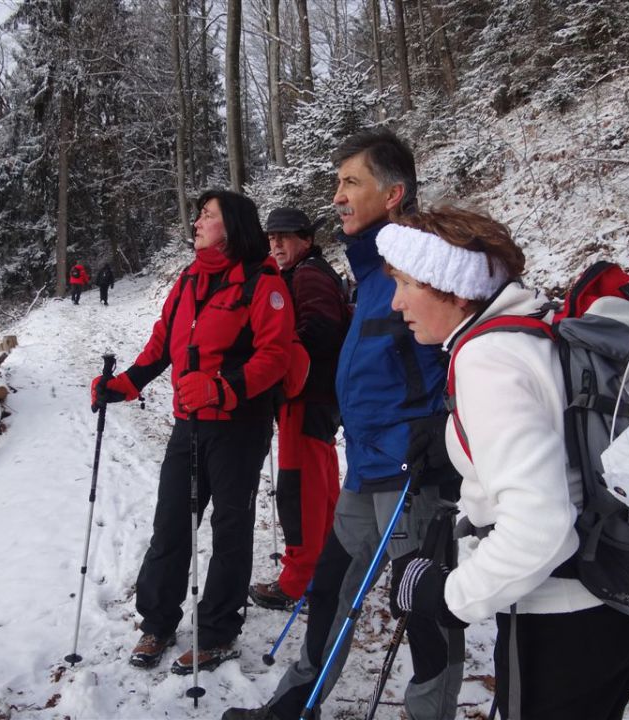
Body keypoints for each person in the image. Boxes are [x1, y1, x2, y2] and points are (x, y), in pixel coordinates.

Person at [383, 206, 629, 720]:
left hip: (562, 611)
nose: (396, 301)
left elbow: (542, 528)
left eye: (405, 283)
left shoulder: (486, 360)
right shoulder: (535, 326)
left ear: (452, 285)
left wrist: (447, 595)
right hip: (619, 592)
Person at [224, 129, 462, 720]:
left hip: (415, 474)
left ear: (394, 193)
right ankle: (292, 708)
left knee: (426, 611)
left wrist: (444, 427)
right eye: (337, 183)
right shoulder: (373, 271)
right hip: (367, 468)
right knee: (328, 588)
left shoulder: (428, 269)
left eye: (351, 182)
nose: (337, 196)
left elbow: (467, 352)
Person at [91, 190, 297, 675]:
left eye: (209, 215)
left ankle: (219, 633)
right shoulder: (188, 280)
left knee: (230, 532)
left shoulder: (263, 284)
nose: (198, 221)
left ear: (234, 227)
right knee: (171, 525)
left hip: (239, 430)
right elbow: (163, 342)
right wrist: (124, 385)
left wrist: (223, 389)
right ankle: (158, 622)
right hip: (189, 427)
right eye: (200, 214)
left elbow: (275, 356)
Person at [248, 207, 350, 610]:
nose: (277, 244)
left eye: (285, 237)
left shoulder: (307, 275)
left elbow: (322, 329)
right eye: (272, 238)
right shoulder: (315, 271)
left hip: (307, 396)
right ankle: (326, 568)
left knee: (299, 490)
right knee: (321, 486)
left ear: (306, 239)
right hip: (321, 398)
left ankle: (298, 583)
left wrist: (282, 361)